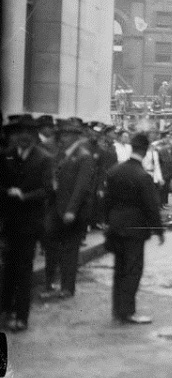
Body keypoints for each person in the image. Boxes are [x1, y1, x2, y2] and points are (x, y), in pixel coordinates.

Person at [0, 116, 54, 332]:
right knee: (8, 267)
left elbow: (47, 190)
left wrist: (25, 196)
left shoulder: (44, 159)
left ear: (33, 136)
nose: (23, 136)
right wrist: (7, 193)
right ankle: (6, 310)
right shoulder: (7, 157)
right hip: (10, 222)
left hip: (30, 223)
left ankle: (22, 316)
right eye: (20, 132)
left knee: (24, 270)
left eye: (27, 133)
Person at [104, 133, 164, 324]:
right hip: (135, 229)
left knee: (119, 269)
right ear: (145, 151)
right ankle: (127, 311)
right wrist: (159, 230)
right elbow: (151, 206)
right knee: (132, 270)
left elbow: (106, 201)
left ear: (131, 148)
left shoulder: (114, 171)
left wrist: (108, 221)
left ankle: (117, 310)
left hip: (116, 226)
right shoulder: (143, 176)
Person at [43, 119, 95, 300]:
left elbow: (81, 187)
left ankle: (67, 287)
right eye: (61, 135)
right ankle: (50, 284)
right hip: (56, 207)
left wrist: (72, 210)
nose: (62, 138)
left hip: (74, 211)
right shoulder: (62, 155)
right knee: (51, 245)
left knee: (70, 250)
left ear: (75, 137)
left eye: (66, 135)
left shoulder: (84, 156)